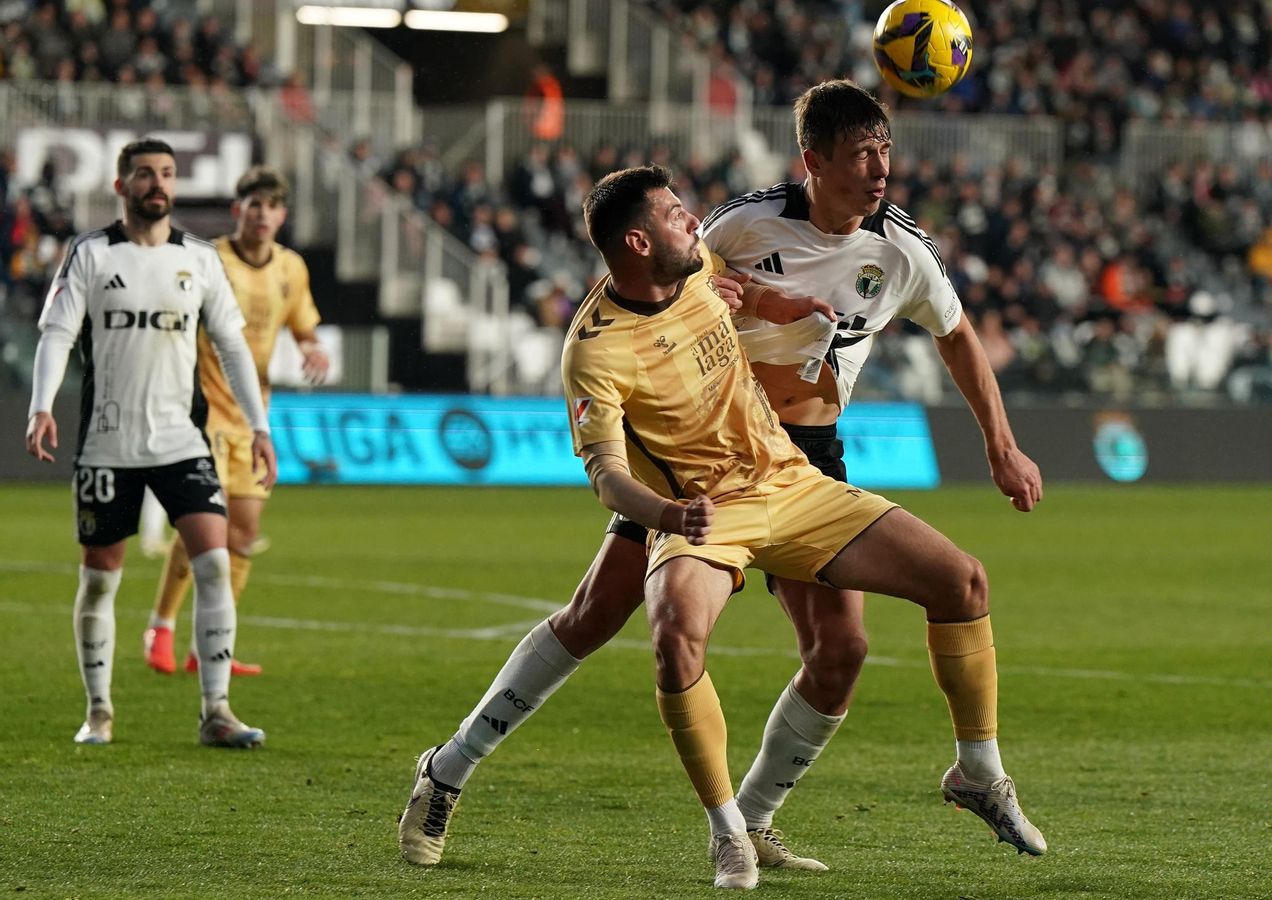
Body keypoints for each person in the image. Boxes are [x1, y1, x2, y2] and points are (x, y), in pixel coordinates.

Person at [398, 83, 1043, 872]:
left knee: (842, 651)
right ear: (814, 162)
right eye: (860, 156)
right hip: (689, 470)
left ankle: (755, 821)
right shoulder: (728, 231)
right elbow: (676, 284)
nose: (879, 171)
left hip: (798, 457)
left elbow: (952, 334)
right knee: (595, 618)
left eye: (885, 154)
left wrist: (999, 444)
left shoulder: (895, 248)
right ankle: (450, 769)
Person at [24, 137, 277, 748]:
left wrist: (259, 426)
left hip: (180, 440)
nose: (157, 183)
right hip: (108, 443)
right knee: (101, 578)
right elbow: (57, 334)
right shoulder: (89, 254)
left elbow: (233, 347)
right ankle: (100, 711)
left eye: (165, 173)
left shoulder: (197, 257)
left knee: (214, 563)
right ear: (121, 186)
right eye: (144, 174)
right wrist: (41, 407)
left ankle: (217, 710)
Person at [141, 166, 329, 676]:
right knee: (203, 525)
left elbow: (303, 326)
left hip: (251, 418)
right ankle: (159, 626)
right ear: (237, 210)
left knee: (242, 533)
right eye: (254, 203)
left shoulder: (291, 269)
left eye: (272, 205)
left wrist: (313, 349)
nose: (263, 212)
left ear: (283, 215)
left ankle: (210, 648)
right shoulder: (207, 261)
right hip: (196, 410)